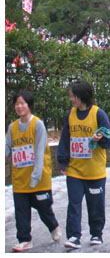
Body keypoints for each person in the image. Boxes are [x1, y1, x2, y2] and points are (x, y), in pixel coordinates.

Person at [57, 80, 110, 248]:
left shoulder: (98, 114)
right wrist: (62, 161)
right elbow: (65, 139)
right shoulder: (70, 115)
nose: (71, 99)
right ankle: (74, 236)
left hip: (94, 170)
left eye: (73, 96)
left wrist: (101, 138)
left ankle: (96, 233)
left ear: (81, 96)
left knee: (95, 204)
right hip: (75, 169)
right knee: (74, 203)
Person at [6, 90, 62, 252]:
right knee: (21, 211)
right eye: (17, 103)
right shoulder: (12, 127)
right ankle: (24, 239)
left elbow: (39, 151)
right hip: (20, 179)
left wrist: (36, 175)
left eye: (23, 103)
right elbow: (7, 147)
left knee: (44, 207)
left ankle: (53, 227)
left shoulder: (37, 124)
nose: (20, 106)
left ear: (29, 105)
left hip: (39, 178)